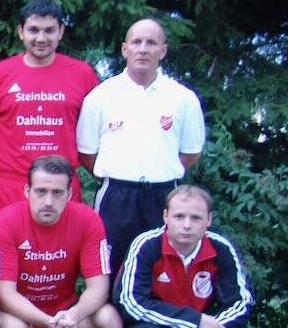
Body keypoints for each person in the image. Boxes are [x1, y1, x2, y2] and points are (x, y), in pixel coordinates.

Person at [76, 17, 206, 276]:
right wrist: (118, 176)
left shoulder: (183, 98)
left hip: (164, 195)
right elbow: (86, 153)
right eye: (136, 42)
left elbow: (191, 152)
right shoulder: (100, 97)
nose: (143, 49)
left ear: (163, 50)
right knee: (109, 269)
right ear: (125, 49)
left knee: (163, 270)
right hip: (116, 197)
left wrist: (161, 172)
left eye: (151, 43)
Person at [0, 156, 122, 328]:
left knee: (109, 322)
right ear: (27, 191)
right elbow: (4, 294)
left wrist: (74, 315)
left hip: (64, 311)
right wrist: (49, 322)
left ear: (69, 194)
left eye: (57, 193)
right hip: (18, 314)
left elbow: (99, 287)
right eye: (41, 191)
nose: (48, 201)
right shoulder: (4, 222)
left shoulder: (88, 220)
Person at [115, 185, 252, 328]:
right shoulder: (146, 244)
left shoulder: (221, 248)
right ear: (166, 216)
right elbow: (130, 302)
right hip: (156, 327)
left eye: (196, 218)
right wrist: (193, 321)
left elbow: (241, 305)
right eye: (179, 216)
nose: (187, 225)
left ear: (209, 220)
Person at [0, 0, 99, 217]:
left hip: (61, 186)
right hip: (11, 185)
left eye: (49, 30)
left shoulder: (82, 74)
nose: (41, 38)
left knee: (63, 241)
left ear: (61, 31)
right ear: (21, 32)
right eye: (33, 30)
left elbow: (91, 132)